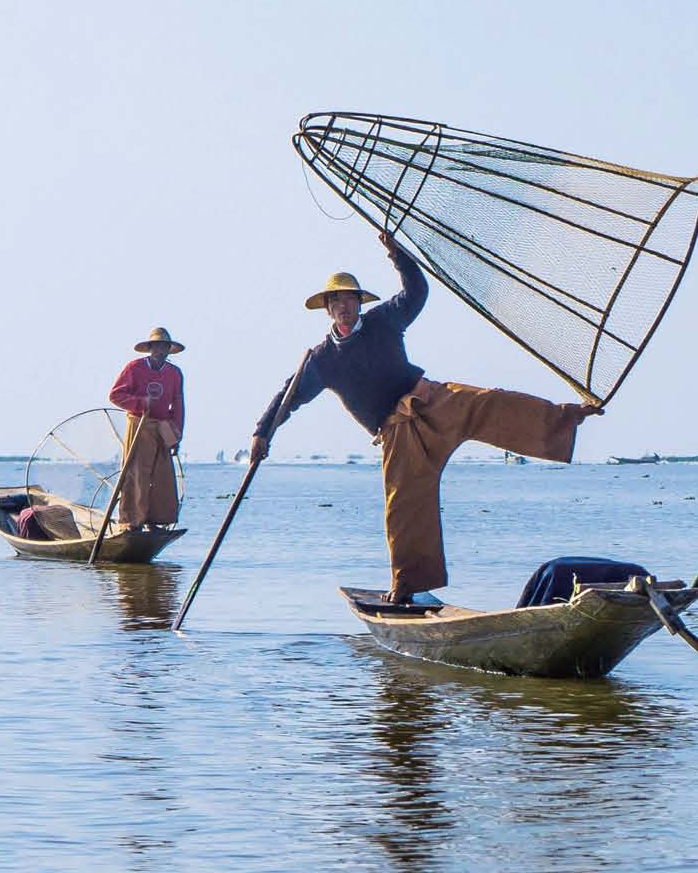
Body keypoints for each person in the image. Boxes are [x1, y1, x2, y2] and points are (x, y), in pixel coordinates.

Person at [251, 230, 599, 603]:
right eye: (337, 301)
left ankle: (565, 418)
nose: (345, 307)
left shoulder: (384, 319)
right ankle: (410, 588)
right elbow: (288, 398)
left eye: (350, 299)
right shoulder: (321, 360)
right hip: (396, 432)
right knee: (403, 508)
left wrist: (398, 255)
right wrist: (262, 434)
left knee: (487, 403)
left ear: (359, 303)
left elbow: (417, 293)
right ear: (328, 309)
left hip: (428, 400)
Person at [109, 327, 185, 530]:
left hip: (163, 427)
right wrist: (141, 403)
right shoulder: (134, 368)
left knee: (162, 473)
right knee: (136, 473)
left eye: (165, 347)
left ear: (169, 350)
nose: (161, 351)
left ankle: (156, 520)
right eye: (157, 346)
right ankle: (132, 521)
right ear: (150, 348)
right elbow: (116, 395)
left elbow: (178, 405)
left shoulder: (174, 373)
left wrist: (177, 434)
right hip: (139, 425)